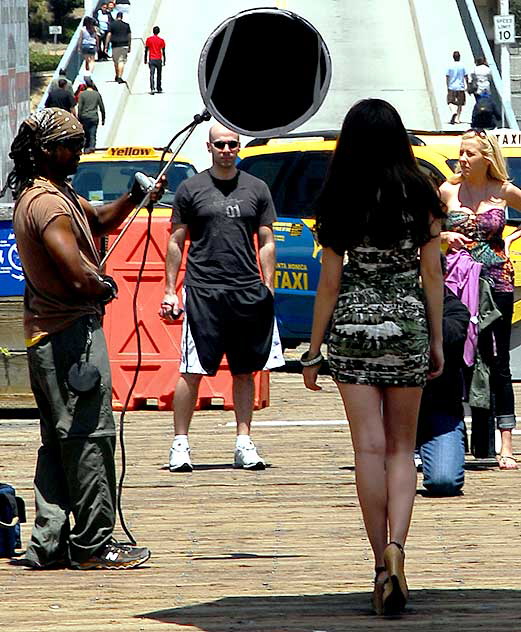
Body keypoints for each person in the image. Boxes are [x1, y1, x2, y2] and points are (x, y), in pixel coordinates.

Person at [1, 108, 164, 570]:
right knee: (91, 437)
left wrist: (134, 195)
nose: (79, 152)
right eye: (71, 145)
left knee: (61, 440)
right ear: (47, 151)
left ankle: (48, 544)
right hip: (67, 335)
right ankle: (95, 544)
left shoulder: (55, 194)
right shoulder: (47, 206)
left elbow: (96, 221)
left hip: (52, 334)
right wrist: (103, 286)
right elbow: (75, 276)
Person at [302, 99, 444, 616]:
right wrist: (435, 338)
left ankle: (378, 567)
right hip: (405, 326)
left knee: (368, 449)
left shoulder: (338, 196)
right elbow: (432, 274)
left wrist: (313, 352)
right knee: (402, 449)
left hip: (354, 332)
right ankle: (398, 549)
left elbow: (330, 283)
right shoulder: (421, 192)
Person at [160, 123, 284, 472]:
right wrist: (170, 290)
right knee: (192, 370)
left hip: (246, 291)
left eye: (232, 145)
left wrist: (268, 286)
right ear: (209, 147)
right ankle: (180, 444)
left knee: (245, 371)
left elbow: (267, 240)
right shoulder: (191, 188)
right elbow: (176, 241)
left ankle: (243, 441)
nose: (226, 150)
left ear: (239, 147)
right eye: (220, 145)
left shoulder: (256, 188)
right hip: (203, 290)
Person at [440, 129, 521, 470]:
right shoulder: (447, 190)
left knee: (498, 359)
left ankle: (505, 443)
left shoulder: (503, 191)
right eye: (461, 152)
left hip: (497, 281)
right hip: (458, 281)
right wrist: (445, 234)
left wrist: (515, 234)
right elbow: (426, 228)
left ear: (486, 158)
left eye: (469, 154)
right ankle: (453, 435)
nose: (462, 159)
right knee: (457, 359)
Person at [416, 256, 470, 496]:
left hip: (437, 411)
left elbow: (451, 336)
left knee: (444, 481)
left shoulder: (455, 309)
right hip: (389, 413)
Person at [77, 77, 106, 153]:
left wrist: (79, 118)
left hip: (84, 117)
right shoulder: (97, 94)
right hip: (94, 117)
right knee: (93, 134)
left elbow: (80, 107)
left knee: (86, 135)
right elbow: (102, 107)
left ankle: (86, 149)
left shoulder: (82, 94)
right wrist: (103, 119)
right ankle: (92, 148)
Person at [106, 12, 131, 84]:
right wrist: (129, 46)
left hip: (115, 45)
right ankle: (119, 76)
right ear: (122, 17)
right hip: (124, 44)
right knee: (121, 61)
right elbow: (129, 36)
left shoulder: (112, 25)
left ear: (116, 17)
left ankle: (117, 75)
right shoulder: (126, 25)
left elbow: (109, 35)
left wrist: (106, 45)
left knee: (116, 61)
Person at [446, 50, 468, 125]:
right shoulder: (462, 66)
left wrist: (447, 85)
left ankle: (453, 111)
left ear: (453, 57)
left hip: (452, 86)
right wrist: (467, 85)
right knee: (460, 103)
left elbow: (447, 76)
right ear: (459, 57)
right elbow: (466, 76)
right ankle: (458, 119)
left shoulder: (450, 66)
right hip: (460, 87)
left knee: (450, 101)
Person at [144, 26, 166, 95]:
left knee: (152, 74)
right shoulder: (161, 40)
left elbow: (146, 50)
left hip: (152, 59)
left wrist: (145, 59)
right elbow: (163, 51)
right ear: (158, 32)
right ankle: (159, 88)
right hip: (158, 59)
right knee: (159, 74)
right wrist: (164, 60)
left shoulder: (149, 39)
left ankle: (152, 88)